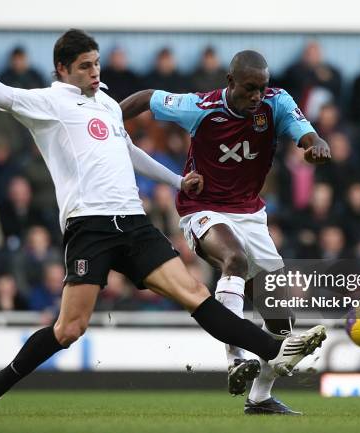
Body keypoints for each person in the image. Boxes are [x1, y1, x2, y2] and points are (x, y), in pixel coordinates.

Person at [0, 29, 326, 416]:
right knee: (69, 329)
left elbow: (128, 152)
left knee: (195, 293)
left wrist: (178, 180)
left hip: (132, 221)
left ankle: (274, 349)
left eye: (96, 64)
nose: (95, 72)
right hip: (89, 226)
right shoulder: (49, 102)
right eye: (84, 67)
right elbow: (0, 95)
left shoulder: (108, 105)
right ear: (62, 69)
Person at [121, 50, 331, 415]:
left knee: (281, 318)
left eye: (262, 88)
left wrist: (317, 146)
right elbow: (146, 98)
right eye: (250, 89)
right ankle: (235, 358)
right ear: (230, 82)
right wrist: (105, 120)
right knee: (233, 258)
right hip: (202, 209)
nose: (257, 96)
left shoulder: (276, 102)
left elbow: (307, 135)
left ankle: (260, 397)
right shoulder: (199, 107)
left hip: (251, 213)